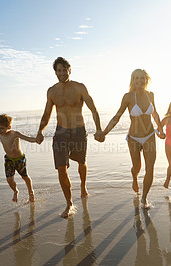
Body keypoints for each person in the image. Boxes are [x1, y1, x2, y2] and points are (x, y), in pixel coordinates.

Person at [36, 57, 104, 218]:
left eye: (64, 70)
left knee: (82, 162)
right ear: (55, 72)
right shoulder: (51, 91)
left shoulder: (79, 87)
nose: (62, 73)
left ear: (70, 70)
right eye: (58, 70)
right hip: (61, 133)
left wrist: (99, 129)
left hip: (79, 131)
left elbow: (93, 109)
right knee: (61, 168)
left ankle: (83, 186)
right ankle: (69, 204)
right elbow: (47, 114)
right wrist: (40, 131)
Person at [103, 69, 165, 209]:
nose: (140, 81)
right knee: (137, 167)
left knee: (150, 168)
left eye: (142, 78)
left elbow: (155, 114)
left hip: (149, 136)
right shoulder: (128, 97)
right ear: (133, 80)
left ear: (146, 80)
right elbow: (117, 117)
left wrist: (161, 130)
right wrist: (104, 132)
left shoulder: (151, 95)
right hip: (134, 138)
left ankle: (144, 198)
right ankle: (135, 178)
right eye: (136, 78)